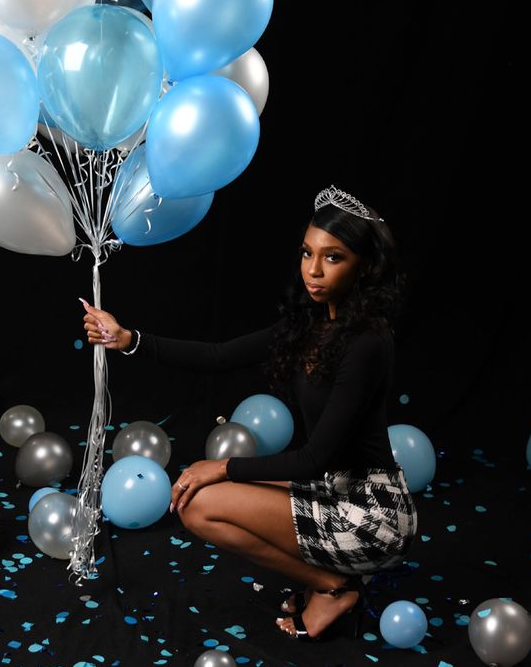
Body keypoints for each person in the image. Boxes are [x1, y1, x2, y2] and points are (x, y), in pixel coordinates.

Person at [81, 185, 418, 643]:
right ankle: (329, 581)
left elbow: (313, 457)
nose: (313, 271)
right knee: (193, 496)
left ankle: (331, 587)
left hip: (370, 513)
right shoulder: (314, 324)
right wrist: (128, 338)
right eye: (306, 253)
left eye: (332, 257)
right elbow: (218, 355)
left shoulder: (368, 344)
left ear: (364, 266)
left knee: (199, 505)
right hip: (331, 485)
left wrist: (220, 466)